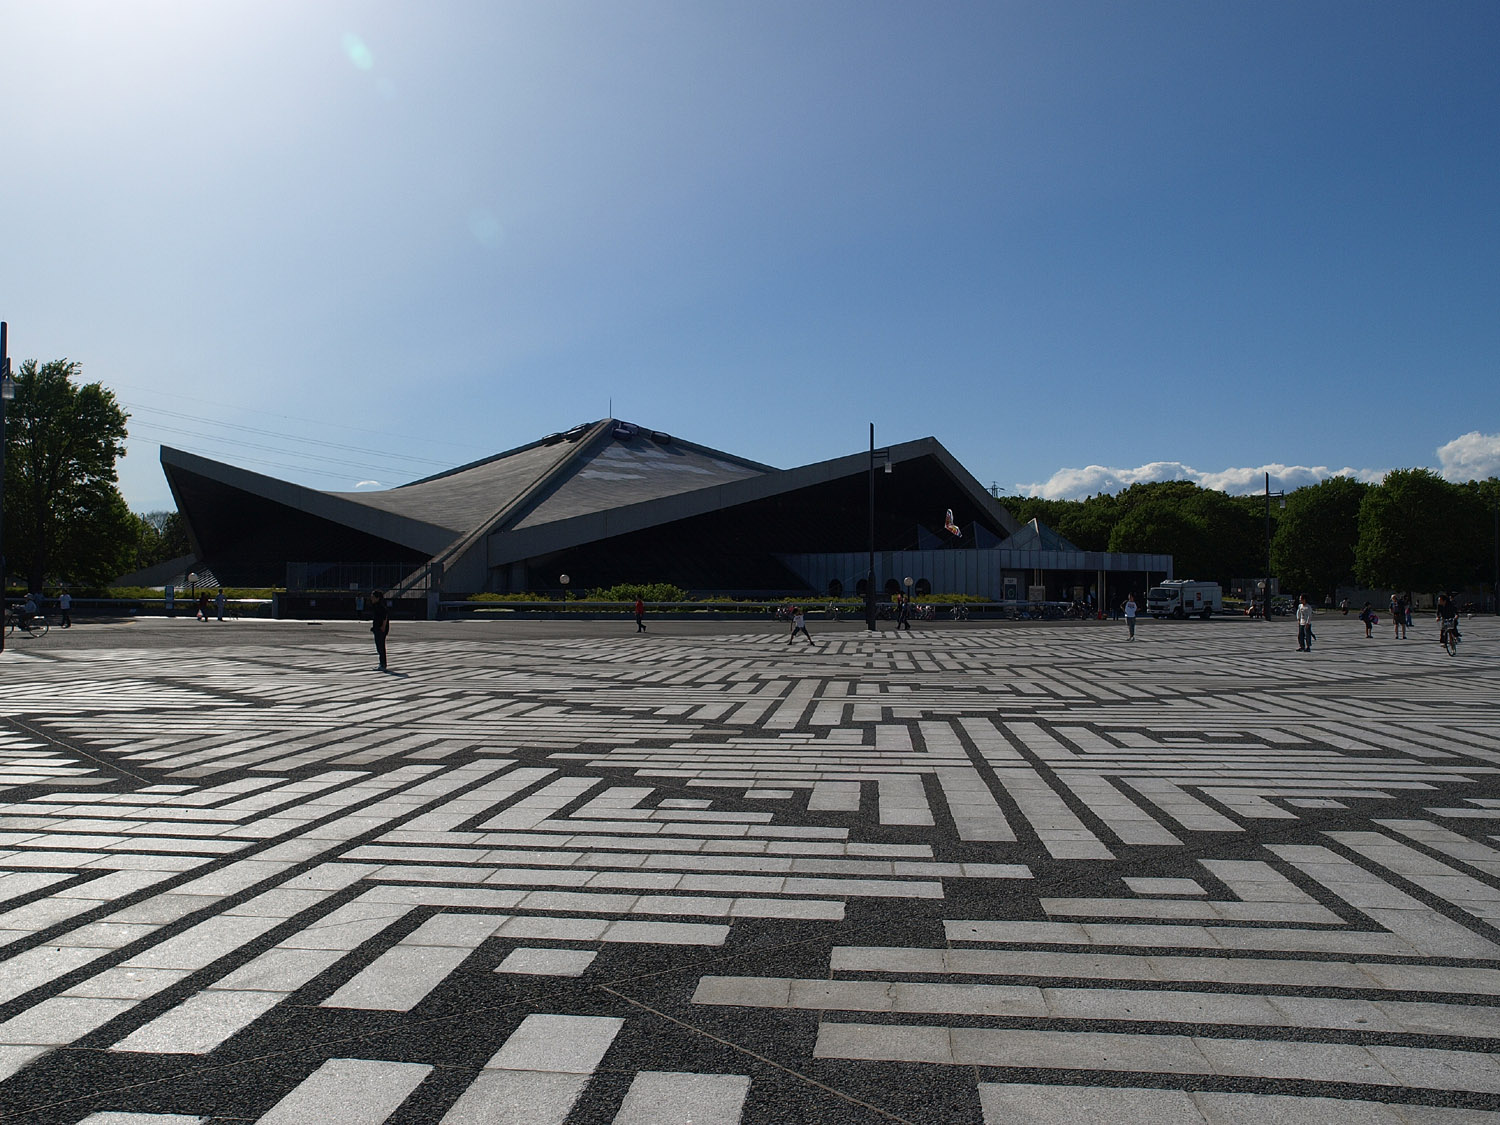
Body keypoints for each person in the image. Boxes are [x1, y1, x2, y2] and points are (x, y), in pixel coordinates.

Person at [370, 589, 391, 671]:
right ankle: (382, 663)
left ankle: (383, 664)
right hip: (377, 628)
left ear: (377, 598)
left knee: (380, 646)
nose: (371, 598)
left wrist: (383, 627)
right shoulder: (376, 606)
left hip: (380, 629)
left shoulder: (380, 606)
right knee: (379, 646)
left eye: (373, 597)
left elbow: (385, 617)